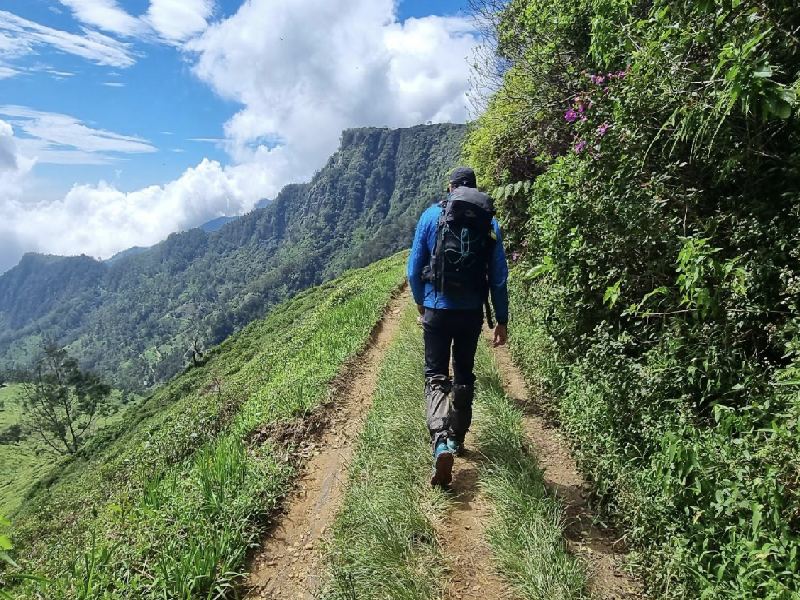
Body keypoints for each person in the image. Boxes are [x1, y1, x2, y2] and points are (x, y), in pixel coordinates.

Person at [407, 166, 509, 487]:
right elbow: (499, 278)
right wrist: (501, 320)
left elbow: (413, 268)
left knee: (436, 375)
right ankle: (457, 438)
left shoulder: (430, 217)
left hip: (437, 312)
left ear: (449, 188)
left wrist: (421, 302)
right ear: (475, 190)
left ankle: (439, 441)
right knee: (464, 373)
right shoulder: (489, 222)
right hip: (470, 313)